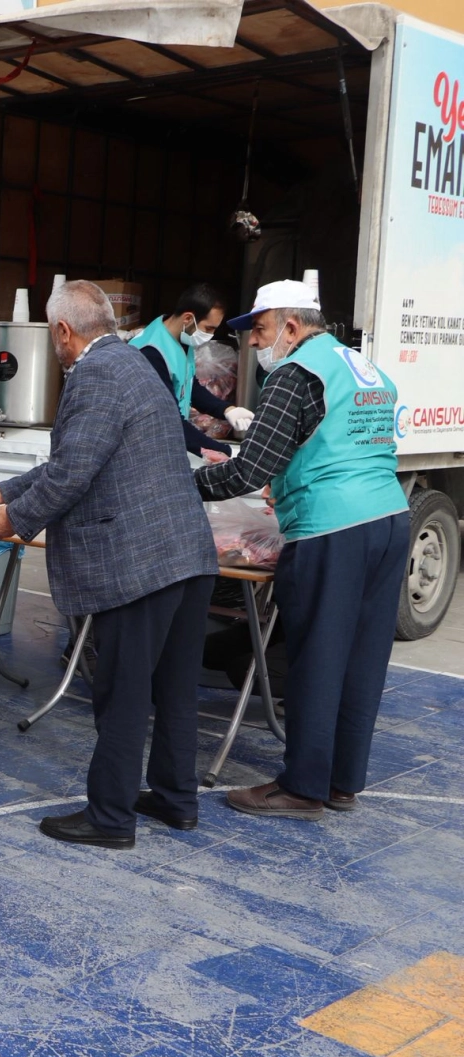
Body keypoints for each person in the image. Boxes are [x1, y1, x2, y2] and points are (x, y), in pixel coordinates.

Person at [0, 280, 218, 849]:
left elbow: (71, 473)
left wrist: (10, 521)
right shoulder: (134, 363)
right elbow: (77, 460)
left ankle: (111, 818)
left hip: (140, 564)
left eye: (54, 337)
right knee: (174, 689)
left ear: (64, 331)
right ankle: (175, 799)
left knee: (122, 693)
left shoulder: (94, 375)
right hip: (186, 554)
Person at [194, 280, 409, 820]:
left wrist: (180, 483)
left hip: (332, 528)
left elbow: (248, 470)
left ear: (291, 327)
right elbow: (343, 444)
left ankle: (303, 788)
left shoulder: (294, 374)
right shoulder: (361, 367)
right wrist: (289, 476)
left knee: (316, 656)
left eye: (259, 329)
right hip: (389, 519)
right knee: (362, 659)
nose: (252, 342)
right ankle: (341, 782)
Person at [129, 284, 255, 460]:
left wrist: (227, 409)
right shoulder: (151, 353)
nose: (211, 335)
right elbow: (169, 420)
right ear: (188, 318)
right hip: (144, 447)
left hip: (167, 440)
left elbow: (189, 385)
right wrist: (225, 451)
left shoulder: (181, 339)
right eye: (208, 328)